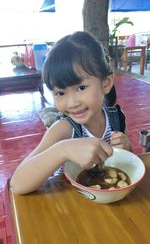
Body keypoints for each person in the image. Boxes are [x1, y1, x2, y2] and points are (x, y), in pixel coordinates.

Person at [10, 31, 132, 194]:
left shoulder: (116, 118)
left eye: (81, 88)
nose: (72, 103)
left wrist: (127, 148)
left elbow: (128, 163)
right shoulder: (63, 129)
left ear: (106, 83)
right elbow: (17, 185)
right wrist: (62, 150)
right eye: (60, 93)